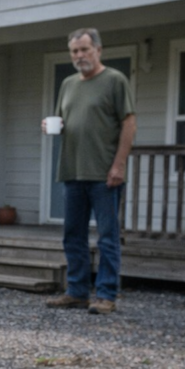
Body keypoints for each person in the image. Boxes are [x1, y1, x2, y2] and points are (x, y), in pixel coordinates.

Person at [44, 28, 136, 314]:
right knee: (73, 235)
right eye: (75, 51)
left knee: (107, 237)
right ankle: (77, 292)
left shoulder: (115, 80)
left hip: (104, 174)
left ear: (98, 50)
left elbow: (129, 123)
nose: (79, 55)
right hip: (72, 171)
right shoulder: (68, 84)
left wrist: (119, 164)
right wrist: (50, 126)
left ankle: (106, 295)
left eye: (84, 49)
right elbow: (64, 121)